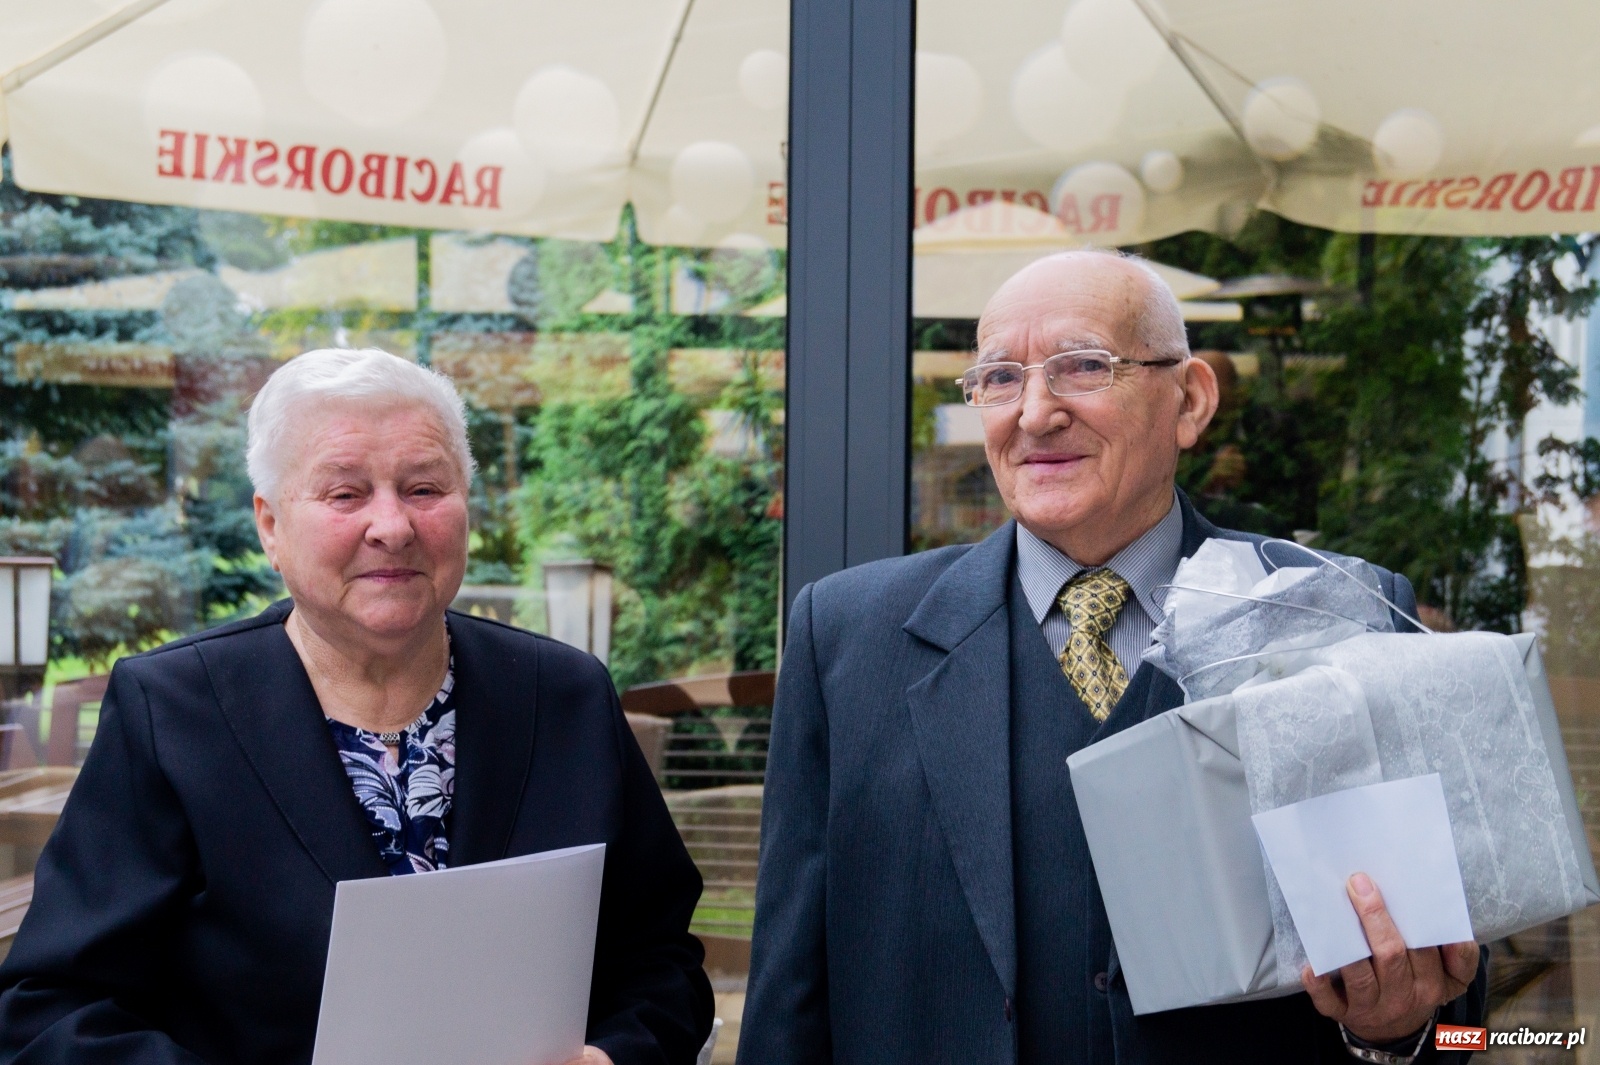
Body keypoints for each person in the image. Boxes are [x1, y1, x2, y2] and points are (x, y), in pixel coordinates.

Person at [739, 251, 1487, 1065]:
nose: (1034, 412)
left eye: (1083, 366)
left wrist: (1397, 1030)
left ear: (1190, 399)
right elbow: (788, 1001)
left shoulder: (1339, 613)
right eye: (997, 378)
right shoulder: (847, 637)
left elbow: (1462, 1017)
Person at [0, 349, 713, 1065]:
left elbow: (662, 962)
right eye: (345, 494)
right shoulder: (173, 712)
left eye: (425, 487)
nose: (393, 525)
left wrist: (615, 1056)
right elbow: (50, 1007)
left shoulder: (565, 696)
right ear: (270, 525)